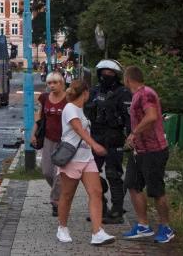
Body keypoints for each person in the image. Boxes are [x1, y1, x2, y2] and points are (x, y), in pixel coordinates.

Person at [55, 79, 115, 246]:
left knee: (96, 192)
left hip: (87, 158)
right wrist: (94, 144)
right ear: (86, 93)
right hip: (71, 158)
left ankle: (97, 232)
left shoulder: (81, 110)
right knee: (67, 195)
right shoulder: (69, 108)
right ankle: (62, 227)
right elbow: (78, 129)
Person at [121, 65, 175, 244]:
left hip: (154, 150)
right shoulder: (136, 95)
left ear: (127, 79)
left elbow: (151, 116)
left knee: (156, 190)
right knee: (132, 184)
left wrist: (134, 133)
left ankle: (166, 227)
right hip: (139, 151)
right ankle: (143, 225)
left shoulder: (146, 93)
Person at [86, 59, 132, 224]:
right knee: (91, 174)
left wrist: (131, 136)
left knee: (114, 174)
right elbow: (85, 113)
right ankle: (100, 205)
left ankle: (117, 210)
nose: (107, 75)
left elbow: (129, 118)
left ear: (116, 75)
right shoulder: (94, 91)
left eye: (110, 73)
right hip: (96, 137)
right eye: (104, 72)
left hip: (114, 137)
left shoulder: (123, 92)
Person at [32, 72, 68, 217]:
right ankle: (60, 194)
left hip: (65, 141)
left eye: (55, 82)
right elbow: (39, 117)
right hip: (48, 139)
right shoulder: (44, 98)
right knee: (47, 171)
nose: (52, 86)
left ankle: (56, 202)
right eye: (49, 83)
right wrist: (33, 133)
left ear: (61, 83)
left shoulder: (68, 98)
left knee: (58, 173)